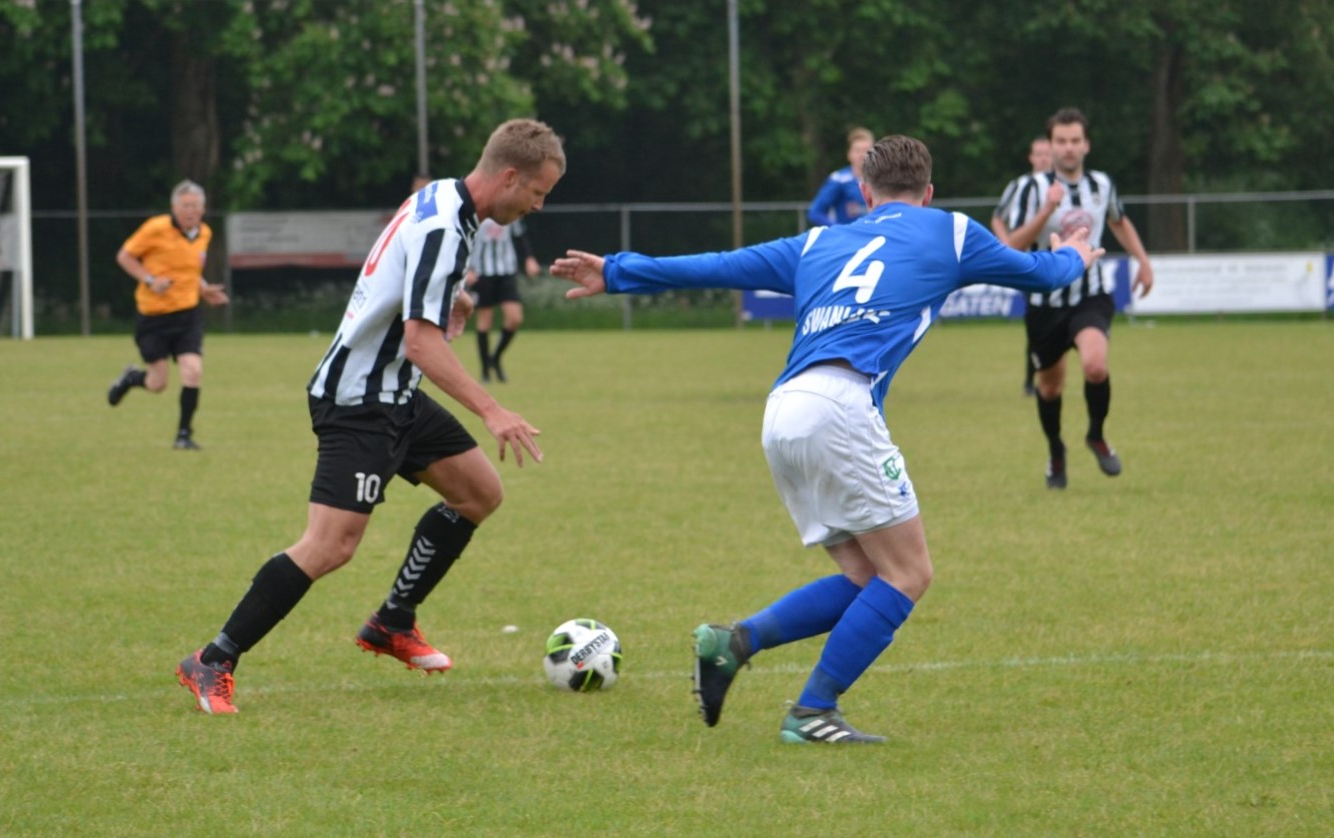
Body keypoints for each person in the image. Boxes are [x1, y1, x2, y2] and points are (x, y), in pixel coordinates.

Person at [552, 135, 1101, 744]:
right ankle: (813, 711)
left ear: (864, 192)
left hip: (784, 410)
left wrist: (617, 271)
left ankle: (735, 642)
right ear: (928, 193)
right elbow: (1043, 275)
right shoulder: (949, 231)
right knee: (908, 574)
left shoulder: (817, 242)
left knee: (869, 578)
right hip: (841, 407)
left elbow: (719, 264)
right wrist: (1076, 252)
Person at [175, 119, 565, 714]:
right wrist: (493, 410)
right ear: (509, 176)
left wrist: (454, 299)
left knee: (480, 492)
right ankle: (213, 658)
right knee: (330, 545)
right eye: (537, 192)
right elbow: (421, 344)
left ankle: (392, 621)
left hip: (396, 392)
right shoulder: (446, 225)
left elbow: (409, 273)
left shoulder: (444, 197)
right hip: (359, 399)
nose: (538, 206)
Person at [1005, 107, 1154, 489]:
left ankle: (1096, 434)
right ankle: (1056, 451)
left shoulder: (1102, 185)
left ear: (1086, 145)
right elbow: (1013, 244)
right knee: (1050, 387)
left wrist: (1143, 261)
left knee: (1095, 366)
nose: (1068, 148)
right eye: (1061, 141)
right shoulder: (1030, 188)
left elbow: (1119, 221)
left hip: (1092, 294)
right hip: (1045, 302)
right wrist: (1047, 209)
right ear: (1050, 145)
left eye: (1075, 141)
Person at [106, 180, 229, 450]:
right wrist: (150, 280)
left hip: (188, 316)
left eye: (195, 206)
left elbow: (190, 270)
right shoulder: (155, 228)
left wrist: (203, 289)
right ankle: (131, 378)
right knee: (157, 383)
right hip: (154, 317)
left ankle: (183, 435)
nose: (190, 211)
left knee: (193, 371)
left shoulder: (204, 233)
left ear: (203, 209)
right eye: (185, 206)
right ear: (174, 208)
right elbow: (125, 256)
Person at [991, 136, 1054, 396]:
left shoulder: (1062, 188)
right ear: (1031, 157)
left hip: (1056, 261)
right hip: (1030, 264)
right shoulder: (1018, 186)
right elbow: (998, 218)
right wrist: (1008, 246)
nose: (1043, 159)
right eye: (1039, 154)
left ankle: (1048, 376)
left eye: (1047, 154)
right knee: (1037, 321)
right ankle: (1031, 380)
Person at [466, 217, 541, 382]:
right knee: (485, 321)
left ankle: (495, 357)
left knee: (515, 318)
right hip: (481, 273)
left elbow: (520, 235)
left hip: (507, 271)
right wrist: (467, 268)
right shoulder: (477, 212)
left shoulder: (512, 211)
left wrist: (529, 258)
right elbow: (465, 238)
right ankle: (485, 369)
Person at [806, 127, 875, 227]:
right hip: (850, 236)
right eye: (857, 150)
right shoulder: (839, 180)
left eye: (866, 150)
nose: (862, 155)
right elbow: (815, 212)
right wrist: (839, 229)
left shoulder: (883, 180)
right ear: (849, 154)